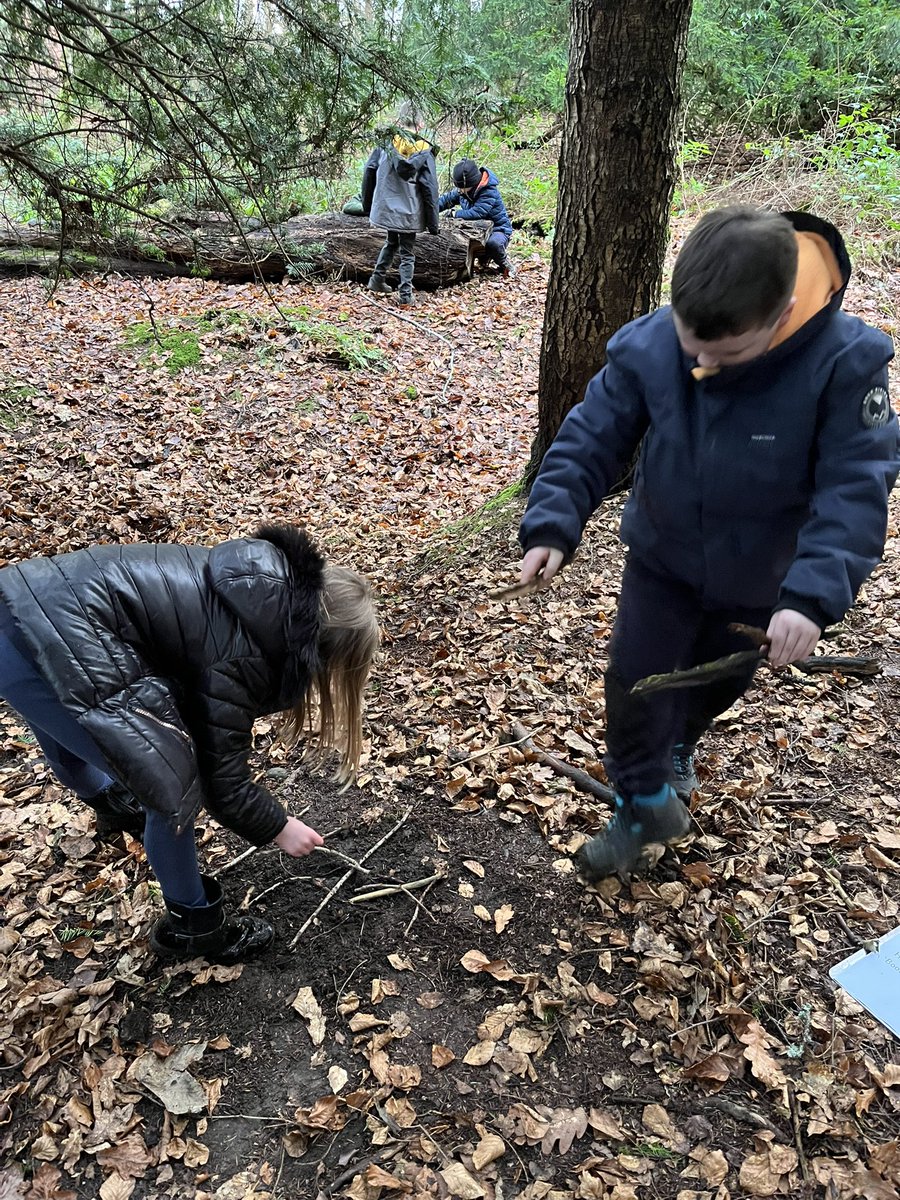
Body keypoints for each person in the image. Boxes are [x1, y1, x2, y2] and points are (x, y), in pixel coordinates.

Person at [516, 206, 899, 881]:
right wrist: (553, 520)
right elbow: (592, 434)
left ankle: (680, 744)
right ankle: (643, 806)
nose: (700, 364)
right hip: (661, 560)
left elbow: (855, 488)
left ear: (781, 314)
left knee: (709, 690)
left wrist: (810, 600)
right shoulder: (657, 343)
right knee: (635, 684)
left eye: (723, 355)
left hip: (760, 580)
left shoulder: (844, 364)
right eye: (691, 345)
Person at [0, 524, 380, 962]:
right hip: (50, 641)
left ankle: (108, 798)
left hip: (22, 602)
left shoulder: (257, 584)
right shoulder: (247, 651)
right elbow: (220, 781)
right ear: (320, 653)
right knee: (171, 786)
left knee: (65, 713)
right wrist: (279, 826)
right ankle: (193, 927)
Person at [361, 102, 440, 307]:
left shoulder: (386, 143)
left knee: (391, 242)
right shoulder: (424, 151)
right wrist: (433, 223)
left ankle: (377, 279)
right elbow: (429, 188)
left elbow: (369, 170)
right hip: (409, 212)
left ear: (400, 120)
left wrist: (368, 206)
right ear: (420, 124)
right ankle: (405, 296)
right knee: (407, 252)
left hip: (386, 207)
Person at [439, 158, 514, 277]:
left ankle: (505, 264)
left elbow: (477, 213)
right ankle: (480, 261)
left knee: (493, 244)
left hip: (498, 229)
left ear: (471, 183)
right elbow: (445, 200)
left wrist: (454, 214)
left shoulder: (489, 191)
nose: (459, 190)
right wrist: (430, 209)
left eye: (461, 187)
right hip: (476, 229)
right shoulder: (463, 191)